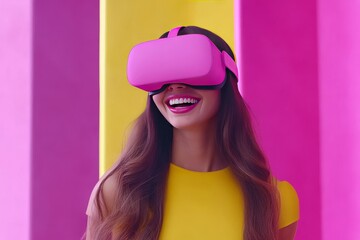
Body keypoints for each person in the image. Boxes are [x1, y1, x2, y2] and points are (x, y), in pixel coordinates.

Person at [85, 26, 299, 240]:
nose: (175, 86)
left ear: (226, 79)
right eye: (161, 76)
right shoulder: (117, 192)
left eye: (192, 71)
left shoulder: (275, 199)